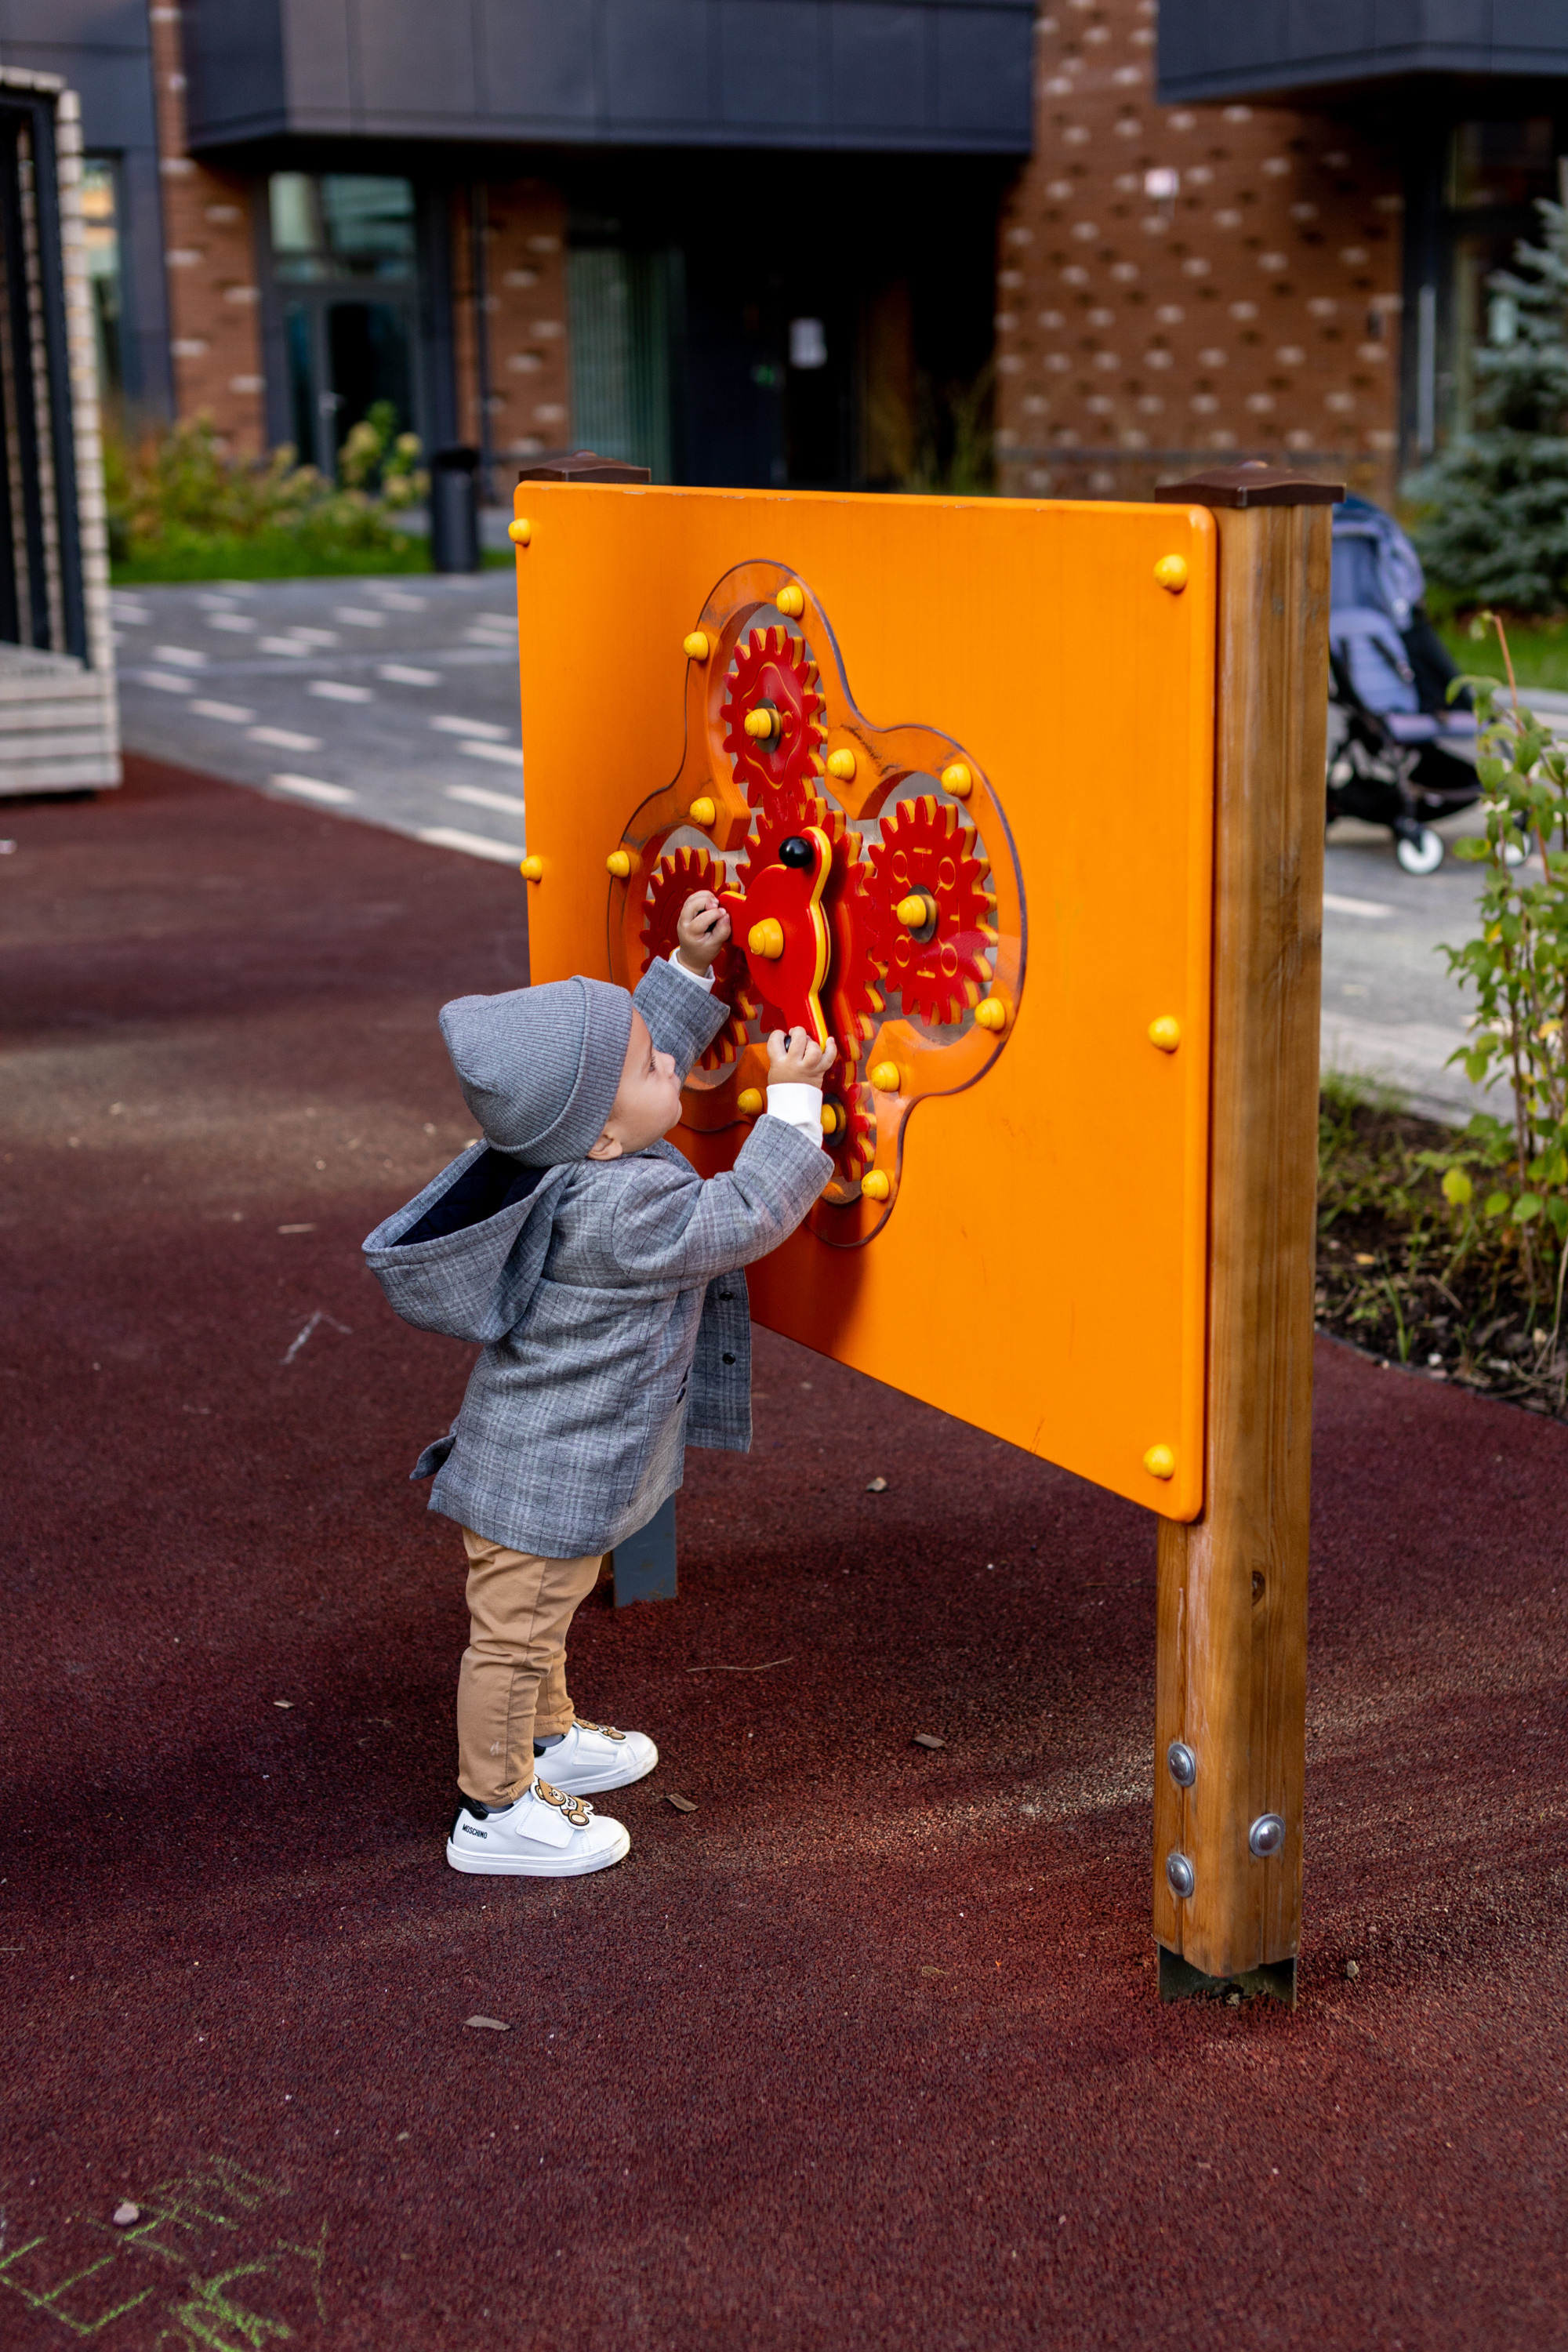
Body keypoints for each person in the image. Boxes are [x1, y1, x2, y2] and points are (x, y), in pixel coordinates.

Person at [363, 891, 835, 1877]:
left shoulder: (570, 1149)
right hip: (540, 1481)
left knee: (545, 1618)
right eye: (652, 1063)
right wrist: (793, 1101)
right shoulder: (626, 1210)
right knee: (513, 1636)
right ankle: (489, 1811)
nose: (667, 1060)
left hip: (545, 1472)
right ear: (605, 1138)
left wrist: (688, 969)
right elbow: (743, 1215)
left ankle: (545, 1741)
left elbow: (616, 1074)